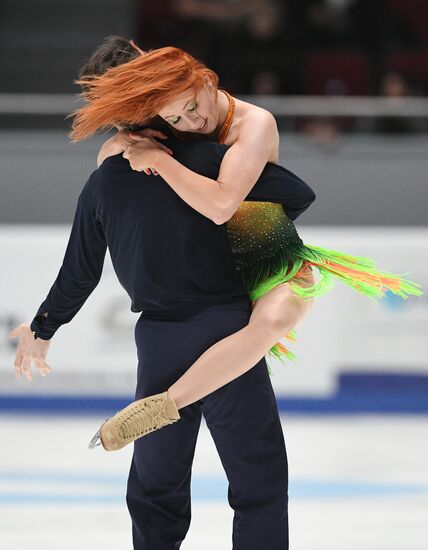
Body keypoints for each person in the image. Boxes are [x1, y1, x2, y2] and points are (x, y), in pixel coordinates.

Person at [67, 39, 423, 451]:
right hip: (206, 270)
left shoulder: (253, 122)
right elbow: (109, 165)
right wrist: (127, 145)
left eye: (193, 107)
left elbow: (222, 204)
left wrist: (159, 160)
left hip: (268, 253)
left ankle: (155, 411)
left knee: (273, 322)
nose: (190, 120)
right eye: (174, 116)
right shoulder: (156, 125)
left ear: (205, 80)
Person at [10, 95, 317, 550]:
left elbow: (81, 272)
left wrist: (42, 327)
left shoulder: (101, 184)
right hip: (225, 330)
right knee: (258, 480)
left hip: (158, 339)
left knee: (157, 488)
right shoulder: (211, 159)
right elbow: (297, 195)